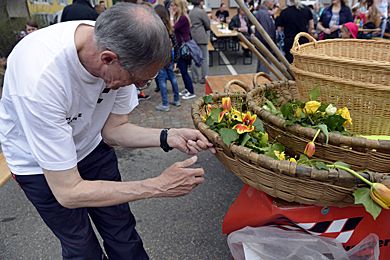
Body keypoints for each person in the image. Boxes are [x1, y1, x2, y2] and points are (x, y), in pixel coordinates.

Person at [0, 3, 214, 259]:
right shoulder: (40, 81)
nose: (139, 86)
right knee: (81, 247)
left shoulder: (125, 50)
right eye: (137, 81)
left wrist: (169, 135)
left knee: (122, 231)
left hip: (90, 146)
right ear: (108, 58)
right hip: (38, 165)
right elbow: (68, 192)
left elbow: (113, 129)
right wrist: (157, 186)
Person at [154, 4, 181, 111]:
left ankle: (165, 104)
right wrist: (175, 60)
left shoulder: (156, 29)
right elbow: (175, 44)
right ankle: (177, 99)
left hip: (160, 58)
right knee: (173, 78)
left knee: (161, 81)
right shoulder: (169, 27)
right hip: (169, 56)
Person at [172, 0, 196, 100]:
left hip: (184, 48)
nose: (173, 7)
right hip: (182, 47)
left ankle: (191, 91)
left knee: (184, 71)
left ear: (179, 7)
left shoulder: (182, 18)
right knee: (183, 70)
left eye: (175, 5)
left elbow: (172, 28)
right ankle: (187, 88)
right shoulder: (180, 17)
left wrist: (170, 14)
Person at [189, 0, 210, 84]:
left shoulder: (190, 12)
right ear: (200, 2)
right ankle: (204, 77)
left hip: (192, 37)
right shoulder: (201, 12)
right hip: (201, 37)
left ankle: (195, 78)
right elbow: (207, 25)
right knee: (204, 58)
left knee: (194, 58)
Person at [254, 0, 276, 73]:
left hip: (262, 42)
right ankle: (263, 82)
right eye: (272, 1)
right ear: (267, 2)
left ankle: (259, 80)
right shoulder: (264, 14)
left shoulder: (262, 12)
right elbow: (265, 32)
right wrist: (270, 44)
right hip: (265, 43)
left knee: (262, 62)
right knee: (265, 65)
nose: (273, 3)